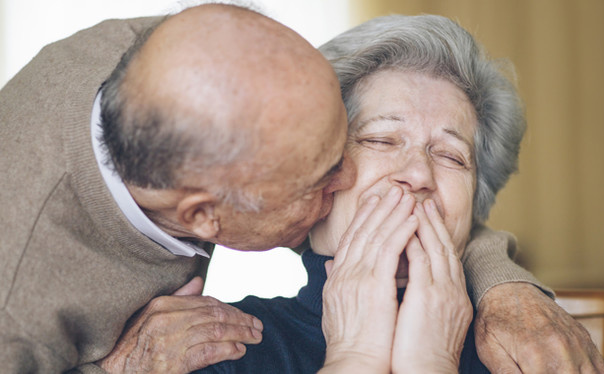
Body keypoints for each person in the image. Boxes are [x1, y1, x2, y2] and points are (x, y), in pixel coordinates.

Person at [198, 14, 604, 373]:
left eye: (451, 156)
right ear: (316, 177)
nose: (418, 174)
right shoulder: (221, 347)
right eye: (381, 140)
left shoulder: (536, 351)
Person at [0, 4, 355, 373]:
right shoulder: (15, 309)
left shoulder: (196, 47)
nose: (349, 178)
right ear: (203, 215)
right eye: (318, 181)